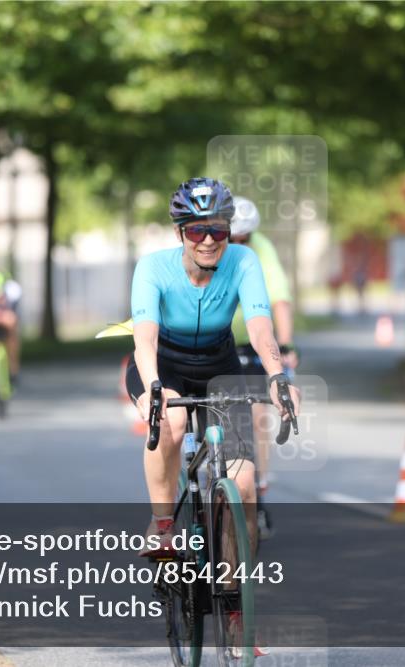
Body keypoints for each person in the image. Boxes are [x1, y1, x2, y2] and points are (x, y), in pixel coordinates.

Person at [126, 178, 301, 558]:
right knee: (170, 422)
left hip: (218, 365)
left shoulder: (243, 261)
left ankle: (233, 589)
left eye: (218, 228)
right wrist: (154, 387)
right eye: (197, 229)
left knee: (245, 480)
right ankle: (162, 527)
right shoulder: (153, 268)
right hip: (163, 363)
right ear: (180, 233)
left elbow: (259, 325)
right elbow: (145, 340)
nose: (209, 239)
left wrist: (276, 375)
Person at [229, 196, 297, 539]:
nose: (239, 245)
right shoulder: (209, 247)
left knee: (258, 418)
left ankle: (259, 492)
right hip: (219, 341)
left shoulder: (261, 248)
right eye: (234, 239)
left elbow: (279, 299)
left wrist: (285, 347)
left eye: (246, 239)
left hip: (256, 341)